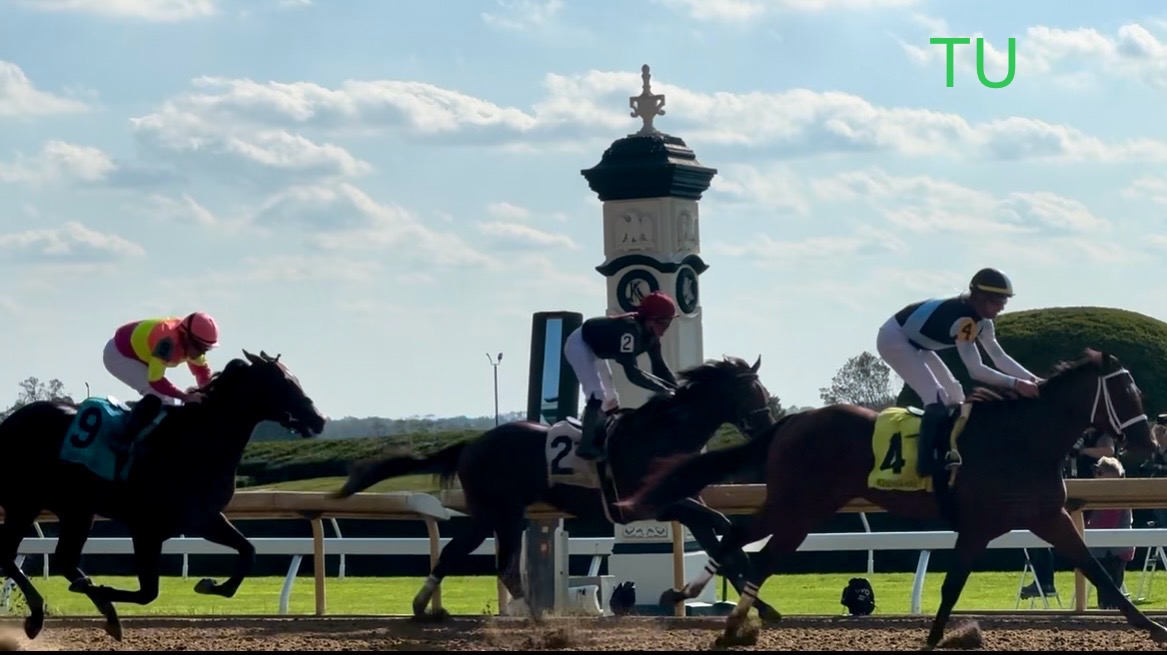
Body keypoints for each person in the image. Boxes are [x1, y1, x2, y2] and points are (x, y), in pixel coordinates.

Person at [875, 268, 1041, 476]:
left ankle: (951, 451)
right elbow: (976, 370)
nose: (1001, 308)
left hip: (919, 344)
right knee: (936, 397)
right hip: (894, 339)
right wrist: (1016, 384)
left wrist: (1035, 380)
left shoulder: (983, 321)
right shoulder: (964, 321)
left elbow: (999, 358)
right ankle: (925, 465)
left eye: (1004, 302)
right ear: (981, 298)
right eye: (997, 302)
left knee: (956, 394)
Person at [563, 290, 679, 461]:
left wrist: (678, 389)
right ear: (650, 320)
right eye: (664, 324)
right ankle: (585, 446)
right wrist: (662, 390)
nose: (665, 330)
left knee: (611, 399)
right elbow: (632, 375)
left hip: (597, 350)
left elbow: (659, 368)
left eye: (668, 324)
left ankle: (604, 437)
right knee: (597, 394)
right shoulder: (629, 331)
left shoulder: (651, 336)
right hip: (579, 344)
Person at [101, 312, 221, 445]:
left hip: (141, 354)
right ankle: (123, 439)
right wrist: (186, 397)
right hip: (119, 354)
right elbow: (155, 380)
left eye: (206, 349)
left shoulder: (192, 344)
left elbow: (202, 373)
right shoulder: (167, 341)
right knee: (159, 395)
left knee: (174, 401)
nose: (202, 353)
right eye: (200, 347)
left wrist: (207, 394)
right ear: (187, 337)